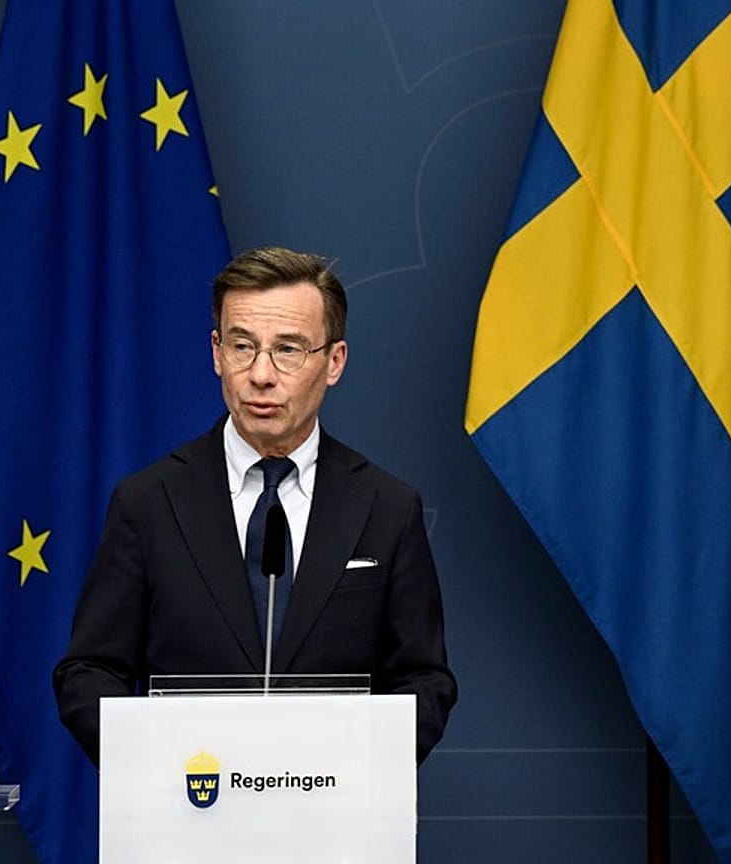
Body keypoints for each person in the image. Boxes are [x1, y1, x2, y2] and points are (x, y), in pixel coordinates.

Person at [54, 246, 456, 765]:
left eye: (288, 350)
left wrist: (353, 770)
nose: (261, 375)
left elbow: (424, 679)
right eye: (243, 346)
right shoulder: (148, 503)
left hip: (331, 824)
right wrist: (157, 768)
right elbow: (88, 672)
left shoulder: (387, 508)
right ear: (216, 352)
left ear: (334, 361)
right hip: (191, 816)